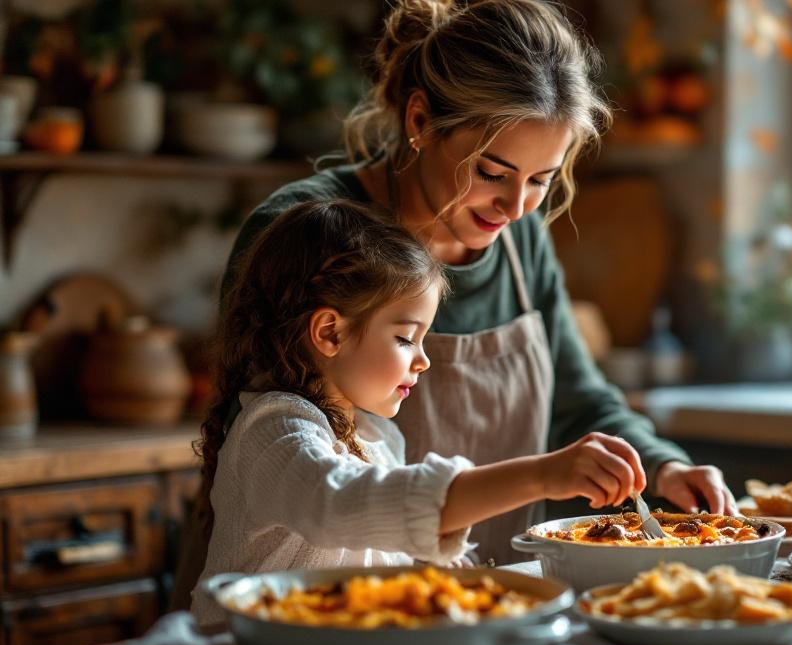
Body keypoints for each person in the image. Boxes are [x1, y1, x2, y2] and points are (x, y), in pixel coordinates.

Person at [181, 0, 733, 579]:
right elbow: (284, 454)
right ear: (420, 121)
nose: (515, 206)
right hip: (288, 596)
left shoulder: (518, 243)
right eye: (492, 172)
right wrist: (541, 474)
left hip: (464, 595)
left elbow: (576, 396)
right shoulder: (301, 233)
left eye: (540, 180)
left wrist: (665, 467)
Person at [187, 200, 646, 625]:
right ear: (330, 332)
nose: (423, 359)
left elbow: (381, 551)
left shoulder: (379, 438)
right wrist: (543, 475)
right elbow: (347, 503)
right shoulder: (273, 433)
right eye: (407, 338)